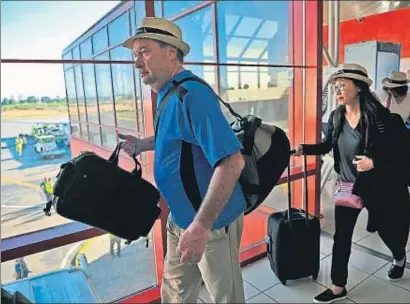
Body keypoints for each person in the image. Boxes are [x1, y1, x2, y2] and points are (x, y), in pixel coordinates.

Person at [119, 17, 246, 303]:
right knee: (175, 296)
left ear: (171, 52)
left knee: (227, 298)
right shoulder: (168, 93)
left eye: (145, 51)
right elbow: (179, 140)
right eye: (134, 54)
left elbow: (232, 162)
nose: (137, 62)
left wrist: (201, 227)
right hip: (180, 221)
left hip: (211, 224)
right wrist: (142, 144)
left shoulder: (193, 95)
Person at [294, 64, 410, 303]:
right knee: (342, 237)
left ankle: (399, 257)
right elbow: (328, 146)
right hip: (348, 186)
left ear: (358, 87)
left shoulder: (382, 119)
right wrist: (304, 149)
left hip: (378, 187)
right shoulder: (337, 117)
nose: (337, 91)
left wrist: (374, 162)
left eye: (342, 86)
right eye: (335, 87)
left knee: (390, 231)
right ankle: (338, 286)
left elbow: (400, 153)